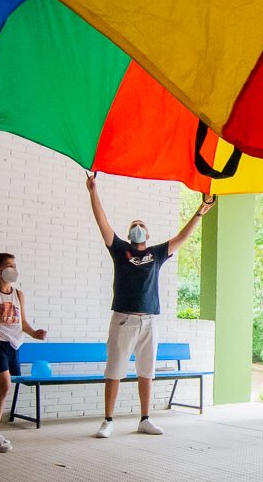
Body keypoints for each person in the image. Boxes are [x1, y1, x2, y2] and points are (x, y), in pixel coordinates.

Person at [87, 174, 210, 438]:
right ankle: (108, 420)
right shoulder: (120, 249)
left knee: (146, 371)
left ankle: (145, 418)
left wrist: (200, 212)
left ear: (148, 233)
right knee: (115, 370)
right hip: (123, 319)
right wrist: (92, 191)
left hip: (149, 320)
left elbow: (183, 236)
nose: (137, 228)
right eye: (134, 225)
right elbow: (102, 222)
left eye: (141, 225)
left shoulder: (156, 253)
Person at [0, 253, 47, 452]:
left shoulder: (18, 294)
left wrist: (34, 333)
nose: (13, 268)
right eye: (9, 265)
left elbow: (23, 323)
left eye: (14, 264)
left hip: (13, 345)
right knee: (4, 384)